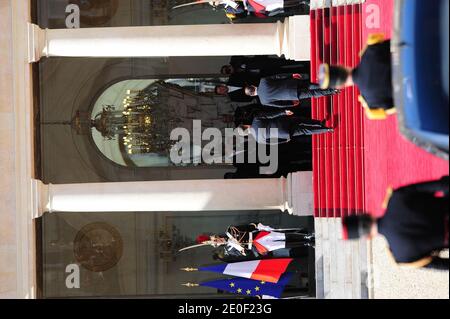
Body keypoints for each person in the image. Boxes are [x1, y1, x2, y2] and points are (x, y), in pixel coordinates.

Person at [342, 176, 449, 270]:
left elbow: (443, 265)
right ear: (367, 215)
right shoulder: (397, 197)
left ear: (367, 237)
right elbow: (443, 184)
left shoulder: (401, 256)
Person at [318, 33, 396, 120]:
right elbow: (399, 44)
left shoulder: (371, 104)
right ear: (340, 65)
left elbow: (400, 106)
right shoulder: (370, 49)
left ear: (340, 86)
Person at [195, 223, 314, 258]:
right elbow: (247, 254)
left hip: (258, 236)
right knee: (284, 244)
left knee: (283, 236)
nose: (218, 241)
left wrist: (261, 227)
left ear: (216, 236)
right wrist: (239, 248)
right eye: (216, 243)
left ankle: (306, 236)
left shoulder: (230, 230)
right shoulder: (229, 250)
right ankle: (306, 243)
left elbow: (249, 226)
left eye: (216, 239)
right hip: (257, 247)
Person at [237, 109, 333, 144]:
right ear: (245, 125)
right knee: (301, 120)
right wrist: (283, 112)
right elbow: (271, 115)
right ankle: (319, 122)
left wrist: (284, 140)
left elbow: (273, 142)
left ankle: (327, 130)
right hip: (283, 122)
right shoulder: (256, 119)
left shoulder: (258, 139)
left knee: (305, 131)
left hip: (284, 133)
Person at [244, 74, 339, 108]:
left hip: (291, 95)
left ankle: (332, 91)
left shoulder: (263, 101)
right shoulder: (263, 81)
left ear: (252, 95)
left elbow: (279, 104)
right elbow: (279, 76)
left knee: (312, 94)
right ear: (252, 86)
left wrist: (291, 104)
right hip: (291, 83)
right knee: (309, 85)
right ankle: (329, 86)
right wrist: (291, 75)